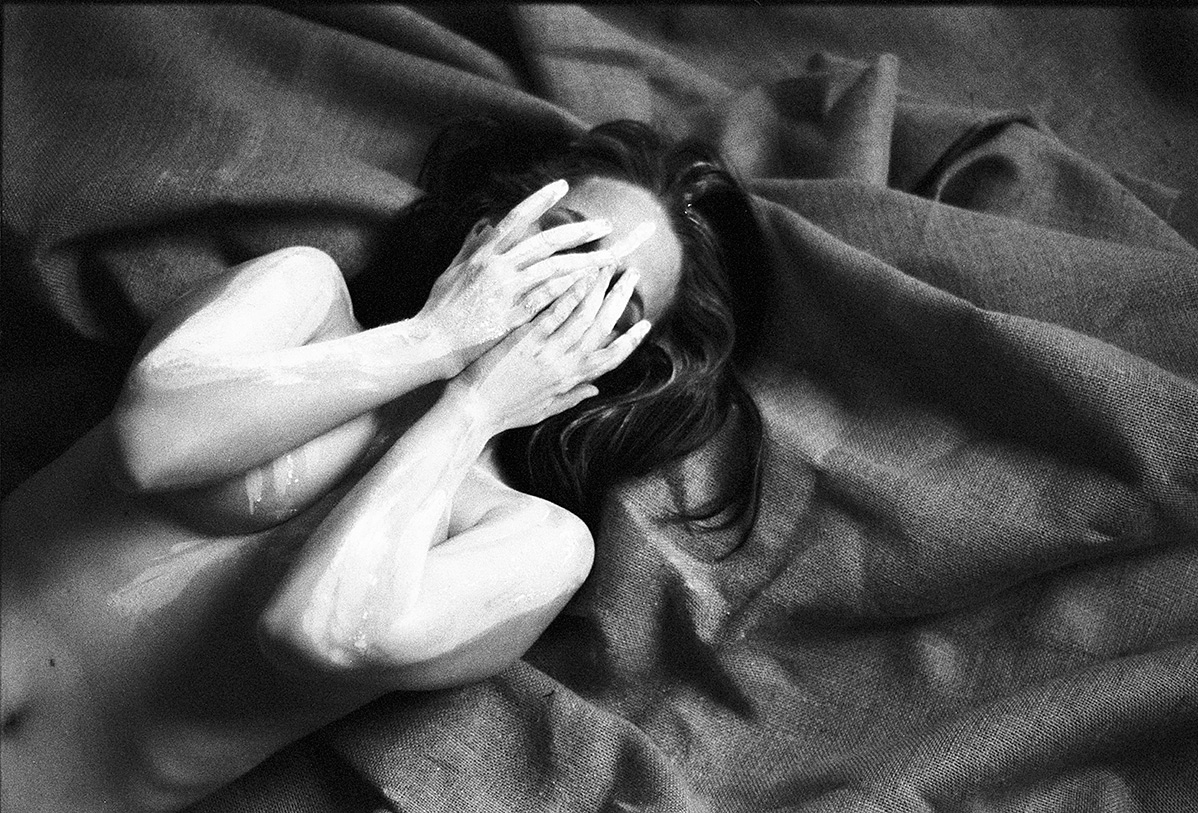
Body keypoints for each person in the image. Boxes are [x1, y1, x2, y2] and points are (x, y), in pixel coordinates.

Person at [0, 120, 768, 812]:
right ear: (490, 229)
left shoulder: (535, 541)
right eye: (560, 241)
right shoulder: (301, 295)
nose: (564, 288)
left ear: (621, 364)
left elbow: (320, 630)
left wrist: (472, 408)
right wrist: (435, 339)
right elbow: (150, 443)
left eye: (612, 300)